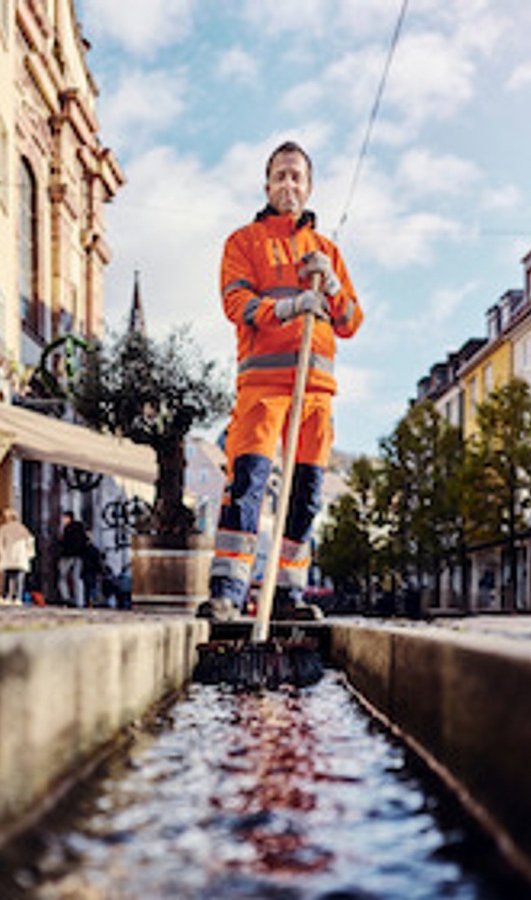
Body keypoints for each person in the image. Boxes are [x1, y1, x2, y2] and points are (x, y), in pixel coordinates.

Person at [201, 140, 363, 621]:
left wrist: (331, 286)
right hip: (263, 389)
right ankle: (228, 592)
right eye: (280, 175)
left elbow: (352, 321)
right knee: (247, 483)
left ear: (309, 187)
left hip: (314, 394)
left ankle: (289, 595)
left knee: (306, 494)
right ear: (267, 185)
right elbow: (238, 305)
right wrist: (290, 307)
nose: (288, 184)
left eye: (297, 176)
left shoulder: (327, 251)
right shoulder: (243, 243)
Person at [0, 507, 34, 603]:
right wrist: (29, 554)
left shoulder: (4, 528)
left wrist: (2, 554)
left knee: (7, 577)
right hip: (21, 557)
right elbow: (30, 541)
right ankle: (17, 597)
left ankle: (5, 596)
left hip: (8, 556)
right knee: (19, 578)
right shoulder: (23, 528)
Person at [58, 510, 87, 607]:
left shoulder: (67, 528)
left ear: (68, 518)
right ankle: (80, 601)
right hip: (79, 556)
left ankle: (66, 598)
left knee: (62, 577)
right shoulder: (81, 528)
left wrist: (61, 540)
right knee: (77, 578)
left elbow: (65, 542)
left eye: (64, 518)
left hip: (67, 556)